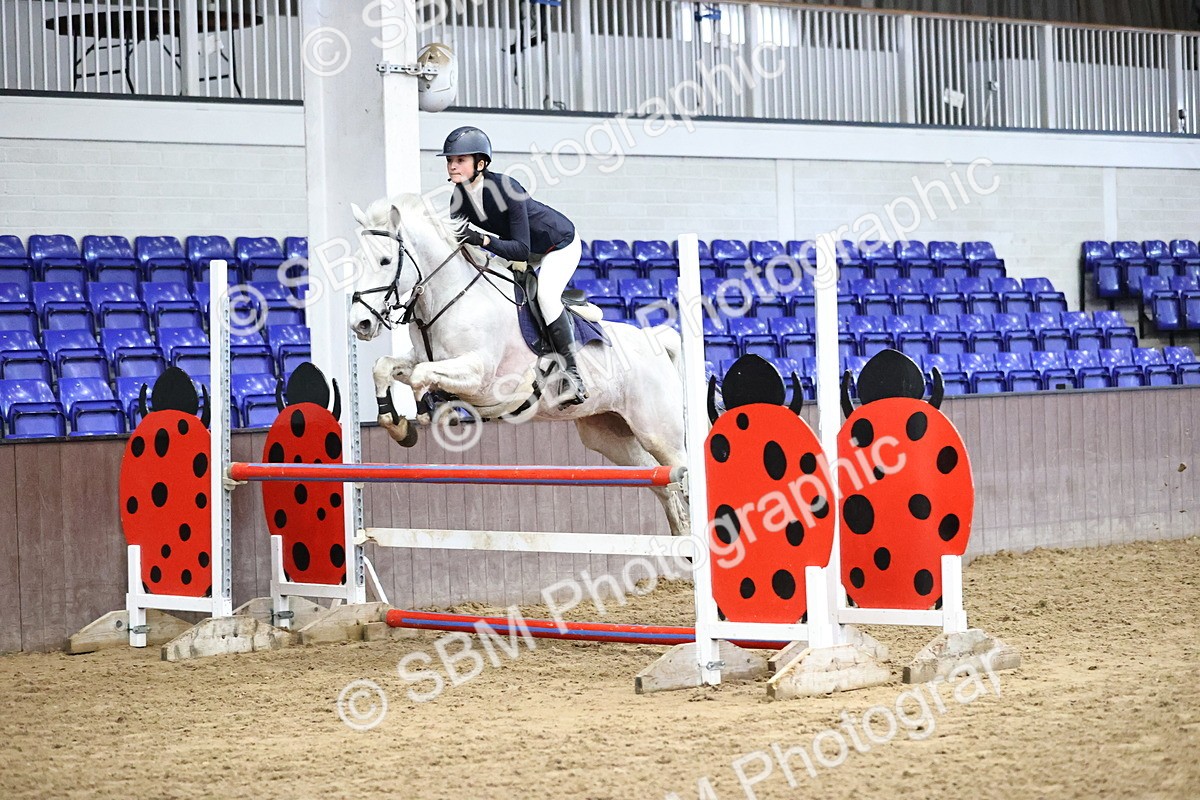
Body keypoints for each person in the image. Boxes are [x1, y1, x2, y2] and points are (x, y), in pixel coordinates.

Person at [439, 125, 588, 406]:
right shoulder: (458, 197)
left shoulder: (507, 189)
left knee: (545, 295)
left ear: (480, 163)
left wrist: (482, 239)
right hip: (518, 247)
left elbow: (521, 249)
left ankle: (572, 374)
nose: (452, 165)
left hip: (557, 244)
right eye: (450, 160)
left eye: (460, 160)